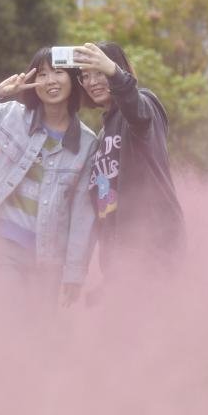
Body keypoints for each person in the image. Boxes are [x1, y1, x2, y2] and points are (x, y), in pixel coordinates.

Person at [0, 47, 97, 317]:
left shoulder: (86, 143)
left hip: (49, 259)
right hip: (5, 248)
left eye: (58, 72)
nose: (50, 81)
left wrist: (75, 272)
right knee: (8, 324)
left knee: (39, 336)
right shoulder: (8, 116)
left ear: (73, 80)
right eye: (43, 73)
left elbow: (82, 213)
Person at [74, 42, 185, 282]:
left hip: (153, 245)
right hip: (119, 258)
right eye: (85, 76)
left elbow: (138, 113)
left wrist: (114, 73)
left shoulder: (145, 105)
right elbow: (104, 199)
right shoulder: (101, 137)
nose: (92, 82)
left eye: (99, 72)